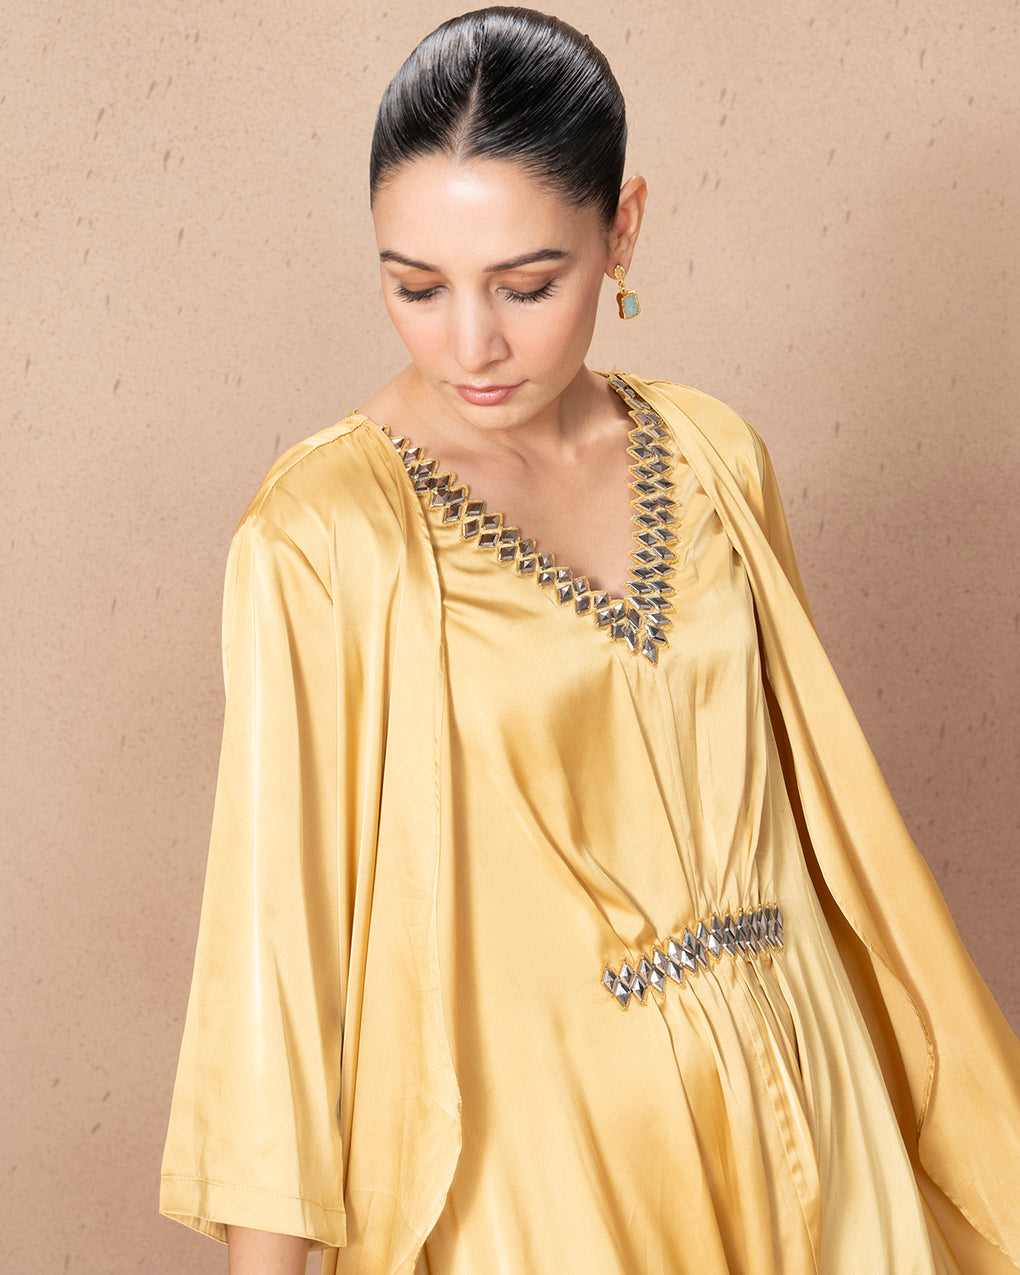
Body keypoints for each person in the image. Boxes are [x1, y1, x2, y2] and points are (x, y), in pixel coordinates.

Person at [160, 8, 1020, 1273]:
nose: (472, 344)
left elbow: (816, 825)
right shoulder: (324, 534)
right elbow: (277, 959)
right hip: (539, 1177)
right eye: (416, 287)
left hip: (814, 1116)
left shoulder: (715, 459)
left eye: (527, 285)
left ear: (621, 231)